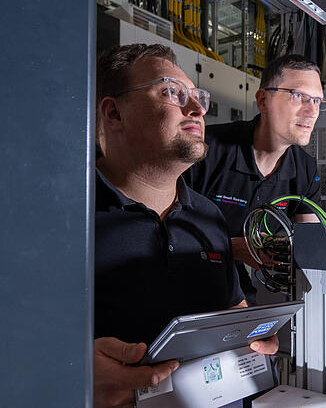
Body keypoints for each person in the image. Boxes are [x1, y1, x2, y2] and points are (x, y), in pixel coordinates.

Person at [93, 44, 277, 408]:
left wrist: (251, 336)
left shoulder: (208, 216)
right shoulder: (61, 216)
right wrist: (71, 374)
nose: (197, 109)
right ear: (114, 113)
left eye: (198, 97)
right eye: (171, 92)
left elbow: (232, 307)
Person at [185, 54, 326, 299]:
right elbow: (162, 230)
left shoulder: (305, 169)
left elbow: (310, 241)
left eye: (317, 101)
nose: (312, 111)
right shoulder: (206, 149)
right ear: (263, 100)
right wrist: (232, 247)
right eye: (298, 96)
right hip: (179, 278)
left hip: (231, 284)